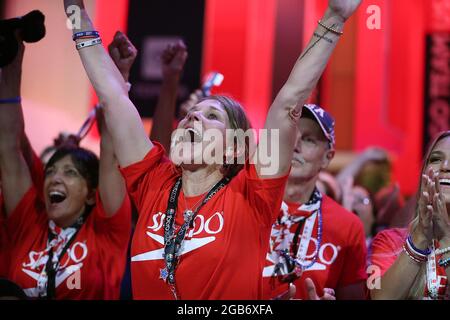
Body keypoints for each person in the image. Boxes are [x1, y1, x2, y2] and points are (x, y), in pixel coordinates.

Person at [63, 0, 361, 299]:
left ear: (236, 147)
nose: (194, 116)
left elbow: (287, 105)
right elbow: (113, 97)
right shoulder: (154, 180)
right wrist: (75, 10)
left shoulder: (254, 193)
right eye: (192, 113)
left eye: (213, 116)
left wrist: (334, 18)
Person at [0, 35, 131, 299]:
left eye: (70, 172)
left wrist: (118, 75)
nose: (55, 177)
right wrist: (12, 65)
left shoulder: (108, 231)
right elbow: (8, 149)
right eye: (50, 171)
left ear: (93, 194)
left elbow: (111, 153)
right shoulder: (29, 223)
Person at [262, 104, 367, 300]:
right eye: (289, 135)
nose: (295, 146)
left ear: (327, 158)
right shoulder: (247, 204)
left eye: (309, 139)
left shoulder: (348, 227)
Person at [369, 131, 450, 300]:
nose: (445, 166)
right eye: (435, 159)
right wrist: (420, 238)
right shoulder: (388, 242)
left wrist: (445, 239)